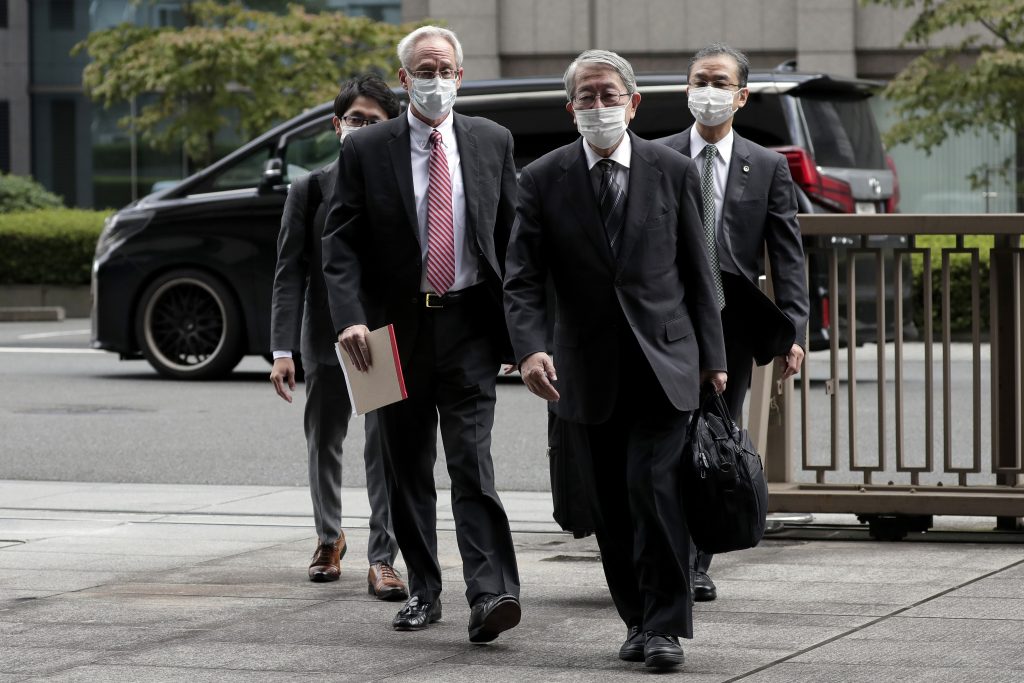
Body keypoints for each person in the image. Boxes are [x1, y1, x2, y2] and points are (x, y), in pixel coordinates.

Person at [504, 49, 727, 671]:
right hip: (585, 367)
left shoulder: (673, 170)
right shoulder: (542, 179)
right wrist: (529, 348)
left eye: (609, 96)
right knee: (608, 502)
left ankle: (665, 628)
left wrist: (714, 356)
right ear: (569, 107)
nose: (598, 107)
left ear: (633, 103)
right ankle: (636, 619)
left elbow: (700, 271)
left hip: (667, 361)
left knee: (653, 489)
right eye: (586, 97)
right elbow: (522, 279)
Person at [322, 26, 521, 643]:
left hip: (469, 325)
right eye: (423, 71)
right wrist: (351, 316)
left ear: (460, 76)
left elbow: (512, 241)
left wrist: (523, 335)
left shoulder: (492, 141)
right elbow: (341, 245)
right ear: (404, 79)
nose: (435, 81)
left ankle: (491, 594)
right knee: (406, 467)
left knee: (471, 462)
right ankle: (425, 591)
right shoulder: (366, 149)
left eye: (446, 70)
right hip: (387, 334)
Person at [656, 43, 810, 602]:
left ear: (741, 96)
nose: (709, 91)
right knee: (667, 440)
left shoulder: (767, 165)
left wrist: (793, 329)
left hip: (732, 327)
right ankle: (662, 552)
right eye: (701, 79)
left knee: (714, 440)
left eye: (721, 83)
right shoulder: (657, 155)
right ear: (686, 87)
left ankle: (697, 561)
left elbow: (787, 254)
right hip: (666, 327)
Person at [269, 75, 408, 601]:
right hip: (326, 337)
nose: (363, 128)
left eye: (375, 122)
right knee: (324, 441)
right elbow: (289, 273)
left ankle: (383, 557)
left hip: (379, 338)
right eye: (355, 120)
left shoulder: (401, 189)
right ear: (336, 125)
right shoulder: (310, 189)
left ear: (392, 127)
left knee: (383, 450)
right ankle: (329, 539)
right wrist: (282, 350)